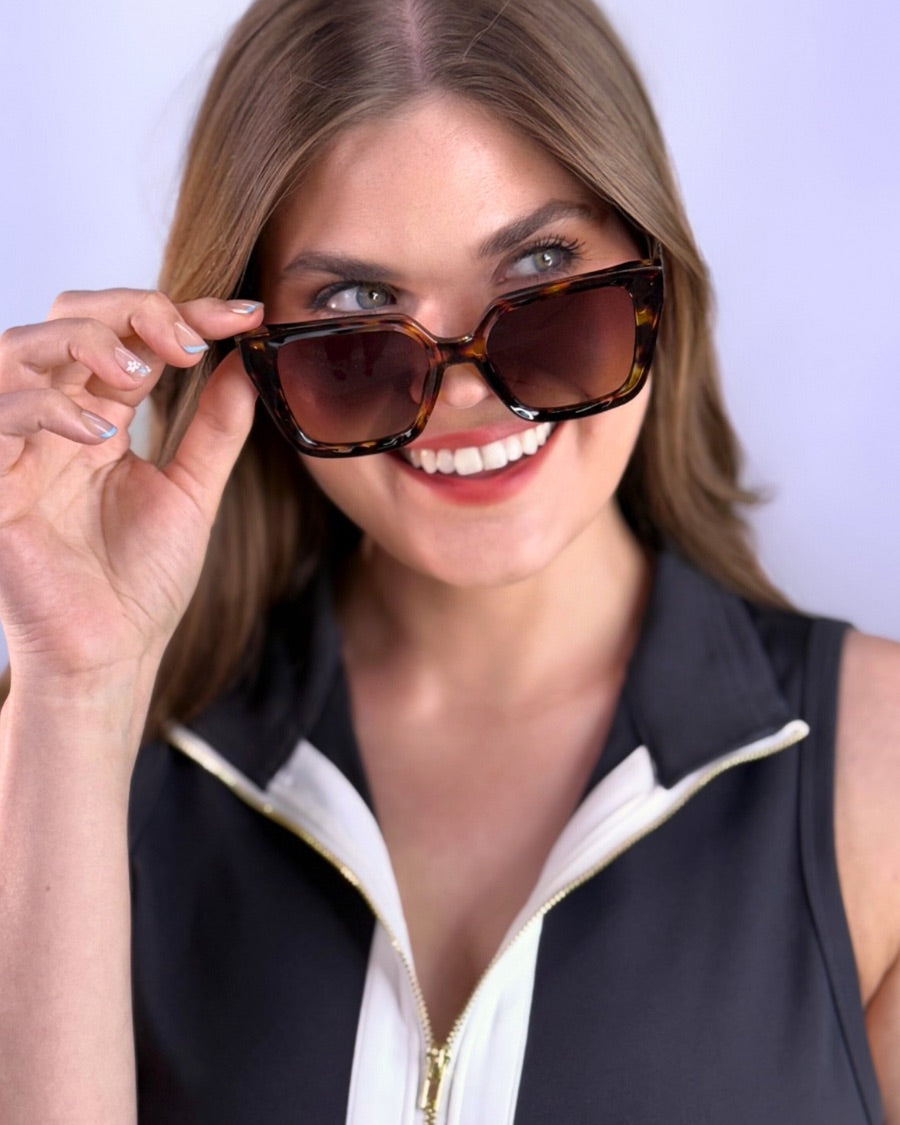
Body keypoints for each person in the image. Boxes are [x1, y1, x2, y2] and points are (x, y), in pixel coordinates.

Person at [0, 0, 897, 1121]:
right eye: (359, 309)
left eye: (538, 271)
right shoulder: (79, 768)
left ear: (653, 271)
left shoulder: (882, 774)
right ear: (246, 356)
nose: (466, 393)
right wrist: (75, 698)